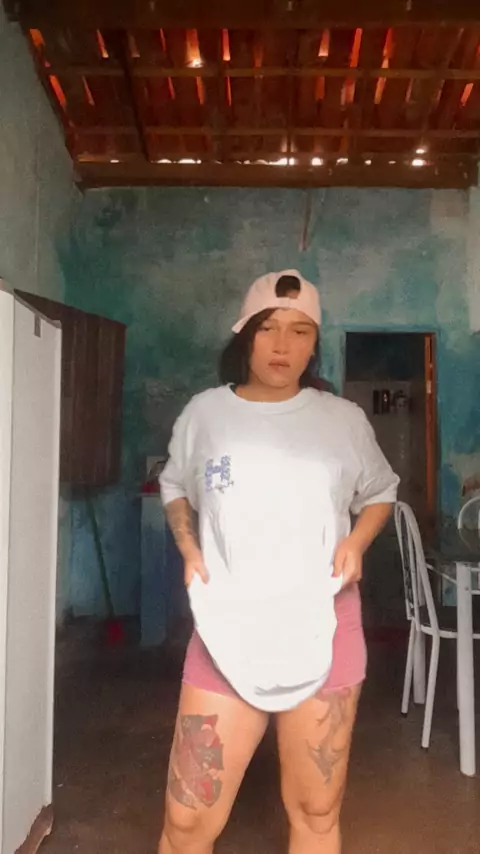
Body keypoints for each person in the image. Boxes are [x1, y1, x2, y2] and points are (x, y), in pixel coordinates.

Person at [159, 270, 399, 854]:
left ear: (315, 343)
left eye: (300, 331)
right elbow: (175, 485)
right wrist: (189, 547)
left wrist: (356, 542)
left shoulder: (342, 419)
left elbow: (381, 490)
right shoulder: (205, 414)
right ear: (245, 336)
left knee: (317, 808)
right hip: (227, 626)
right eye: (268, 328)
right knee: (187, 819)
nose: (282, 345)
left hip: (323, 625)